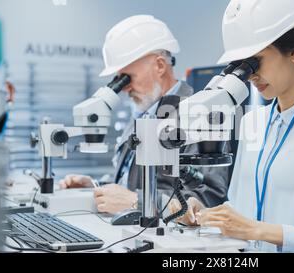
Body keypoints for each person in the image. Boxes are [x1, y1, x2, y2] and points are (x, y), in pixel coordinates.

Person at [170, 0, 294, 253]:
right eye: (243, 65)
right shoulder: (253, 121)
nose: (251, 75)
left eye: (256, 61)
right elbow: (241, 207)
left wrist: (259, 230)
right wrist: (204, 214)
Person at [59, 15, 229, 215]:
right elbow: (130, 184)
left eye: (128, 78)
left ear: (159, 65)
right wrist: (97, 186)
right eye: (120, 80)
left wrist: (138, 203)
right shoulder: (144, 115)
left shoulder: (199, 114)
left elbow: (210, 197)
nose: (124, 88)